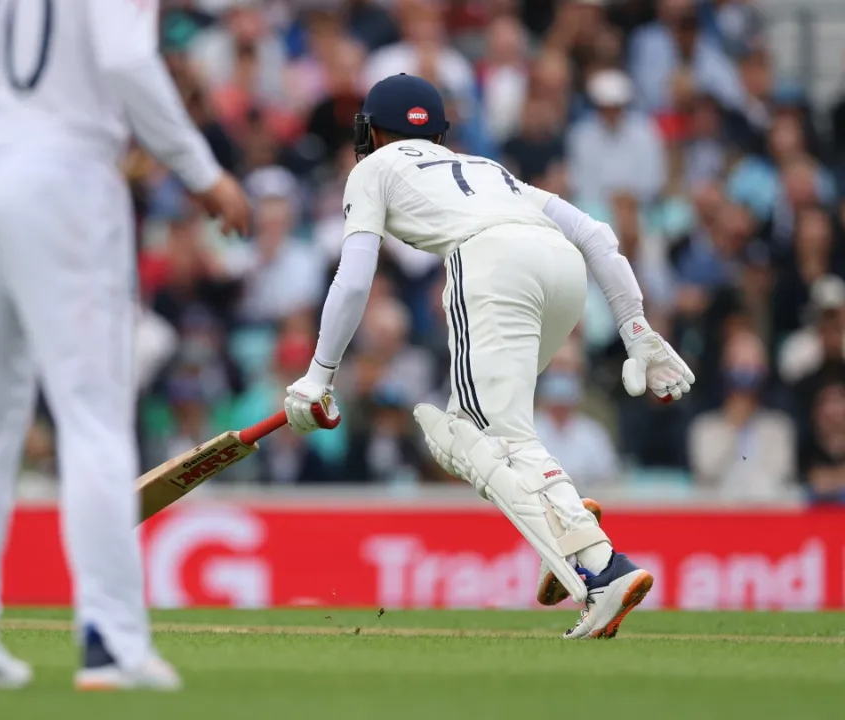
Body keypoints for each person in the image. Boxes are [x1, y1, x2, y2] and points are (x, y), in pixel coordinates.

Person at [0, 0, 250, 691]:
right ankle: (111, 641)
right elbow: (123, 58)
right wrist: (201, 172)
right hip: (65, 173)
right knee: (92, 418)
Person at [282, 74, 695, 639]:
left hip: (491, 265)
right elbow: (597, 235)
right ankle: (559, 514)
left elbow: (354, 279)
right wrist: (636, 330)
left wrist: (318, 376)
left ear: (372, 130)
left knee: (482, 436)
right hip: (562, 272)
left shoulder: (373, 168)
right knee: (470, 433)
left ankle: (598, 565)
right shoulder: (486, 168)